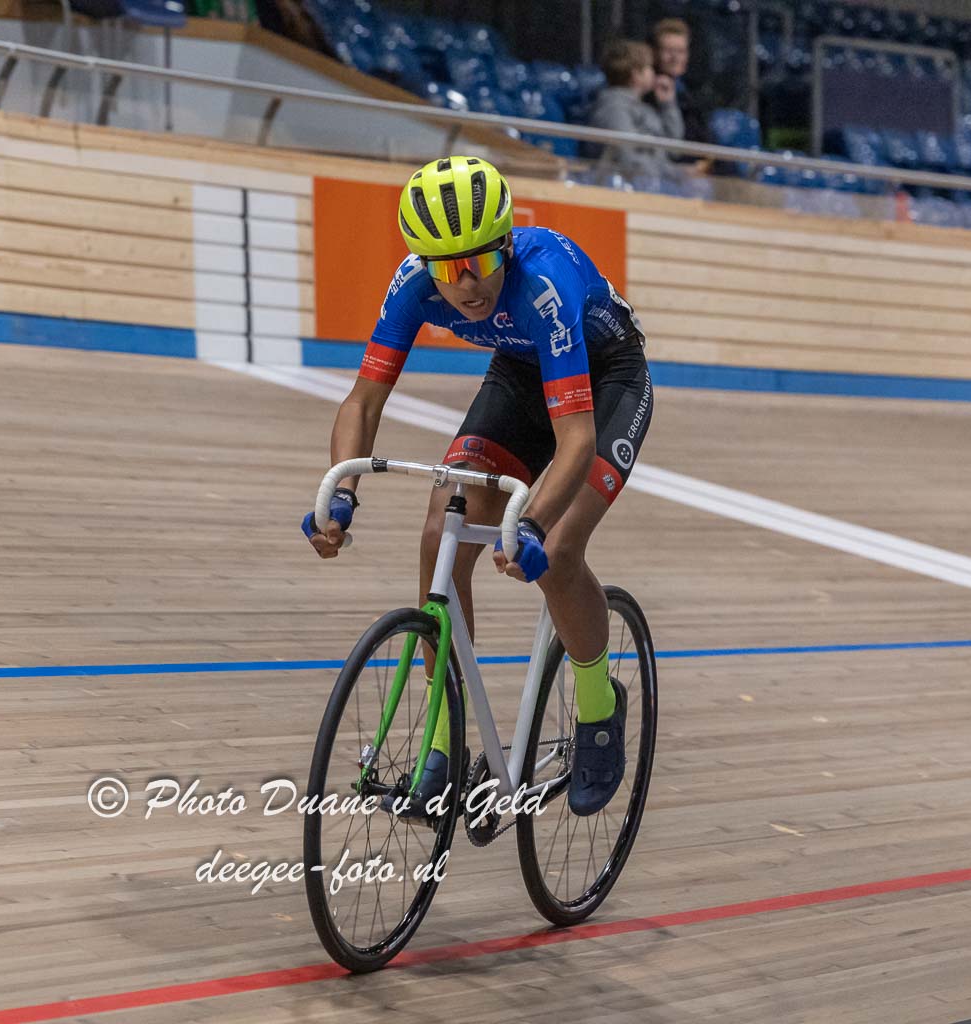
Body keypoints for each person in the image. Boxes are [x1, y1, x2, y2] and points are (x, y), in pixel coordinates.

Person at [301, 156, 654, 819]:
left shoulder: (541, 283)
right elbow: (363, 401)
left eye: (479, 262)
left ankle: (599, 710)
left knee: (558, 550)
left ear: (506, 244)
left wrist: (532, 523)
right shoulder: (414, 284)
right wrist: (338, 493)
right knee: (441, 530)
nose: (464, 283)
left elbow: (576, 442)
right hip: (520, 375)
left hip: (606, 380)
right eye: (447, 268)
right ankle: (443, 742)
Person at [589, 39, 683, 184]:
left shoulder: (645, 108)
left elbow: (673, 150)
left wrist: (668, 105)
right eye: (649, 68)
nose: (654, 73)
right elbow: (627, 158)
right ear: (636, 75)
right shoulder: (613, 108)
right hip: (626, 187)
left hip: (656, 182)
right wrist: (674, 174)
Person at [648, 18, 707, 146]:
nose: (675, 58)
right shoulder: (645, 91)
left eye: (681, 51)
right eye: (668, 51)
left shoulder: (692, 94)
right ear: (655, 53)